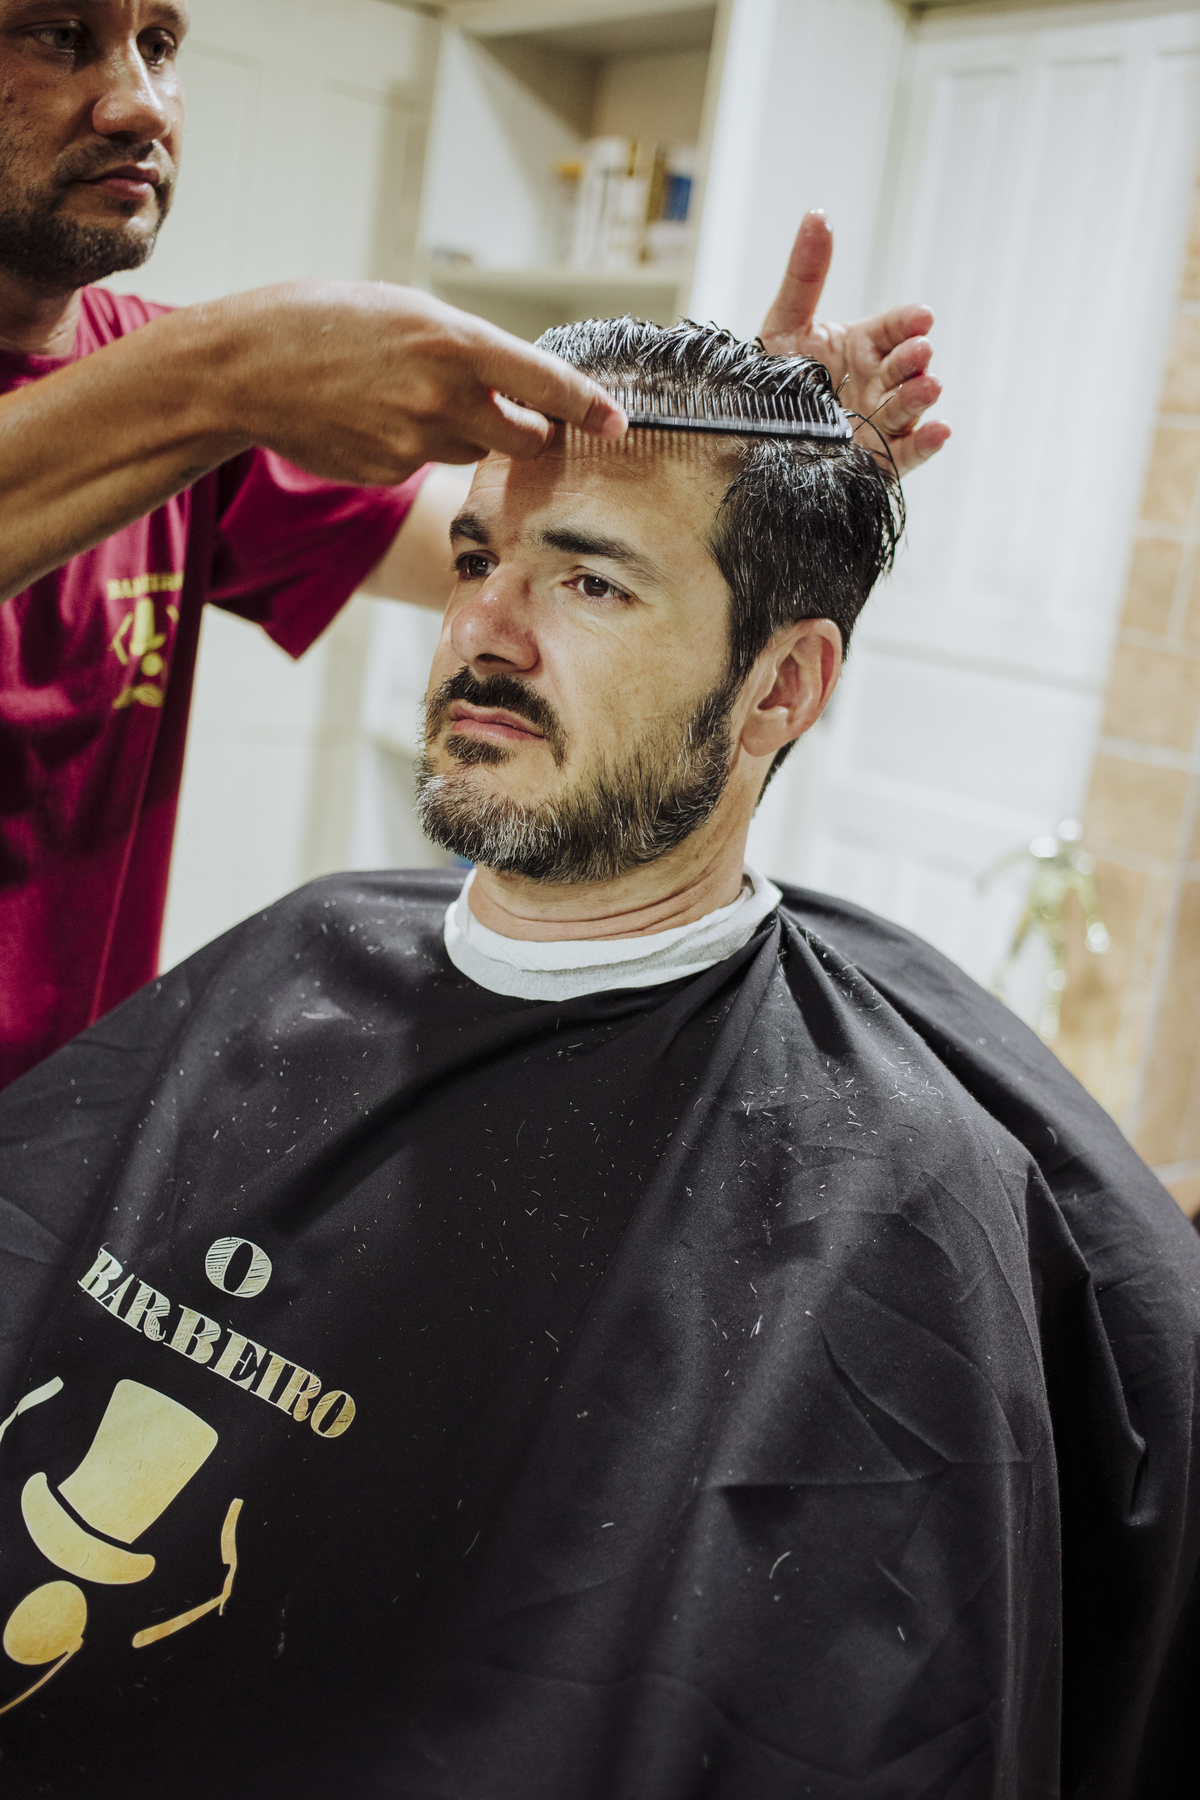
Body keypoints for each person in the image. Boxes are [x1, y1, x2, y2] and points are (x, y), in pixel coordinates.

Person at [0, 318, 1194, 1800]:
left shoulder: (893, 1183)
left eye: (591, 582)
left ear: (780, 689)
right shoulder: (298, 957)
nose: (484, 632)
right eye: (475, 560)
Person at [0, 0, 948, 1088]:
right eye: (57, 34)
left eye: (162, 45)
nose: (141, 104)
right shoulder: (190, 401)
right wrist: (226, 371)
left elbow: (514, 531)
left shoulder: (185, 419)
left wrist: (739, 470)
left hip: (50, 1120)